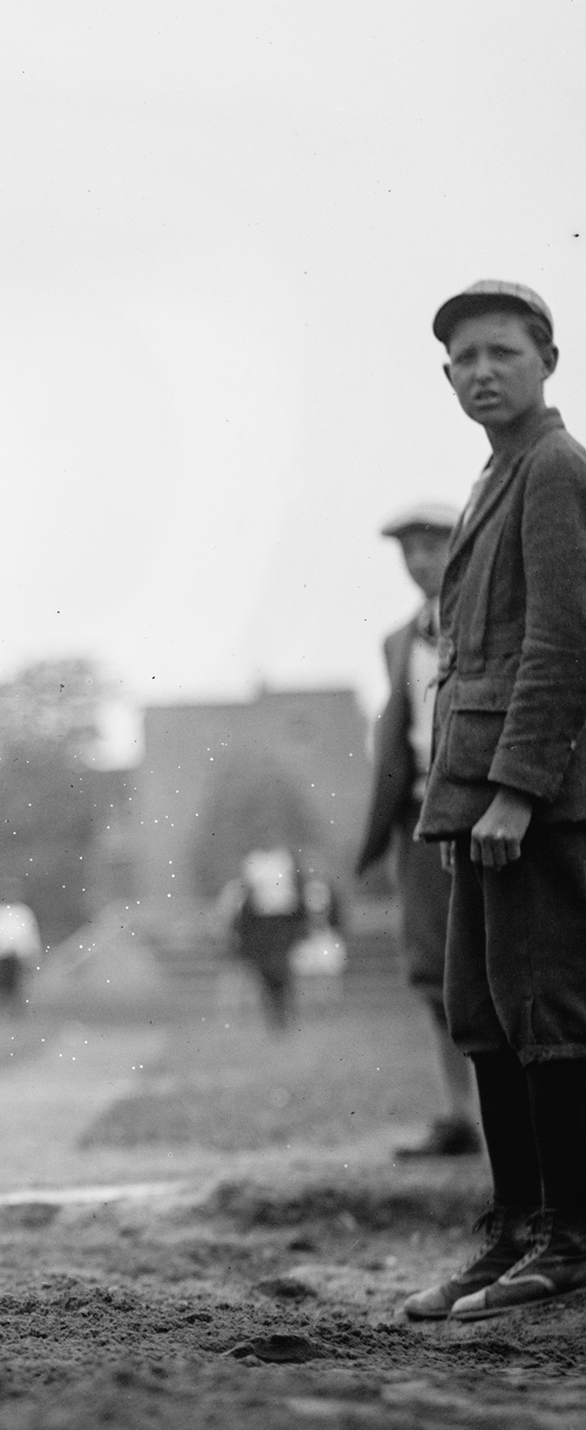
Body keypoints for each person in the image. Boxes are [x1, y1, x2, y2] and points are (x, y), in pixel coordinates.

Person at [397, 281, 586, 1322]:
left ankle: (564, 1239)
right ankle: (512, 1230)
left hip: (530, 804)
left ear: (545, 359)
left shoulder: (554, 469)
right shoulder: (490, 475)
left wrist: (513, 790)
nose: (480, 370)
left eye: (500, 352)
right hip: (468, 806)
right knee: (480, 1016)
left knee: (541, 1014)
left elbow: (560, 643)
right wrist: (464, 801)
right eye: (463, 357)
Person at [355, 504, 481, 1160]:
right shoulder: (398, 641)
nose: (421, 561)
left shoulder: (492, 618)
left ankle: (523, 1122)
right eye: (409, 551)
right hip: (421, 819)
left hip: (487, 812)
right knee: (434, 973)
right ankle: (460, 1114)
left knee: (506, 969)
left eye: (433, 546)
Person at [225, 847, 310, 1034]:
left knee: (281, 975)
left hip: (280, 931)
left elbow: (298, 906)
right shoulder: (253, 890)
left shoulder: (285, 867)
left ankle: (285, 1017)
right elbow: (244, 917)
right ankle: (276, 1019)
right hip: (262, 935)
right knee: (267, 979)